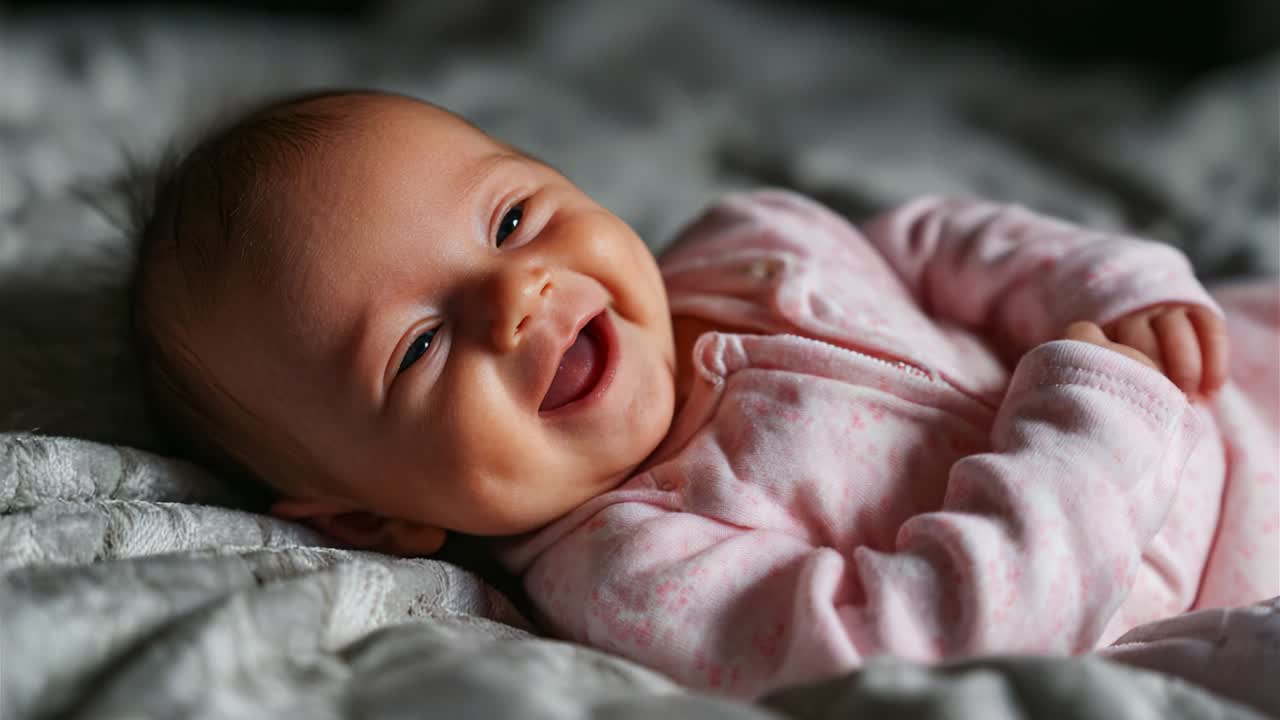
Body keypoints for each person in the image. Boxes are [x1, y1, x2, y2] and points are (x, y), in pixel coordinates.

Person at [130, 89, 1278, 701]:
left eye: (512, 219)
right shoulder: (633, 572)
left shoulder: (746, 239)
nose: (514, 298)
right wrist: (1093, 418)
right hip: (1220, 564)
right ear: (374, 520)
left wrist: (1118, 287)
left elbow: (944, 244)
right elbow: (936, 640)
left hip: (1232, 369)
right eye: (419, 347)